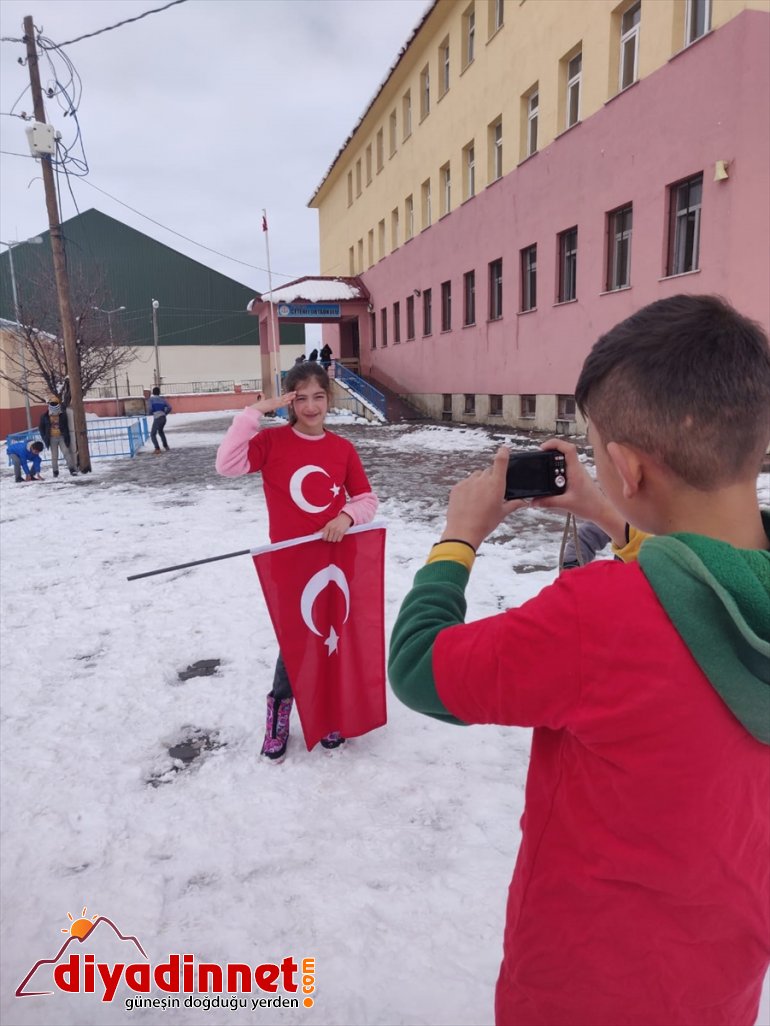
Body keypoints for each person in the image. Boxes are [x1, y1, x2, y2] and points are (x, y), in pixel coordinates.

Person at [389, 294, 770, 1026]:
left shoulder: (602, 616)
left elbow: (419, 668)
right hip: (721, 984)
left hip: (583, 989)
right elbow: (700, 580)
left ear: (627, 467)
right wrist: (606, 512)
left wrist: (457, 540)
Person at [216, 362, 379, 761]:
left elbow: (366, 500)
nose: (310, 407)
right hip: (290, 565)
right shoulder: (272, 444)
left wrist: (346, 517)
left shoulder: (342, 449)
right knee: (296, 644)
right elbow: (227, 465)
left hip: (336, 561)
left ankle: (330, 712)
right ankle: (279, 713)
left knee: (333, 637)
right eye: (300, 398)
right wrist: (255, 413)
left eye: (318, 397)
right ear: (289, 401)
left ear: (329, 398)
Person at [39, 396, 77, 477]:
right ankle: (55, 471)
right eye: (52, 403)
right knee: (54, 455)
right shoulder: (45, 416)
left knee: (66, 452)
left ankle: (72, 469)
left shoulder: (62, 415)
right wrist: (45, 437)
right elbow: (41, 428)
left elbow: (66, 426)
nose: (54, 405)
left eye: (55, 403)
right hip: (52, 438)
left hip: (61, 437)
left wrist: (67, 436)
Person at [147, 386, 172, 454]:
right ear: (159, 393)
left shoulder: (151, 399)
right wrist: (165, 413)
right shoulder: (162, 399)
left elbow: (150, 409)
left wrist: (150, 413)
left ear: (153, 392)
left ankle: (157, 449)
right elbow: (170, 407)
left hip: (157, 418)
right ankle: (166, 446)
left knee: (153, 434)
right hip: (163, 418)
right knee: (160, 431)